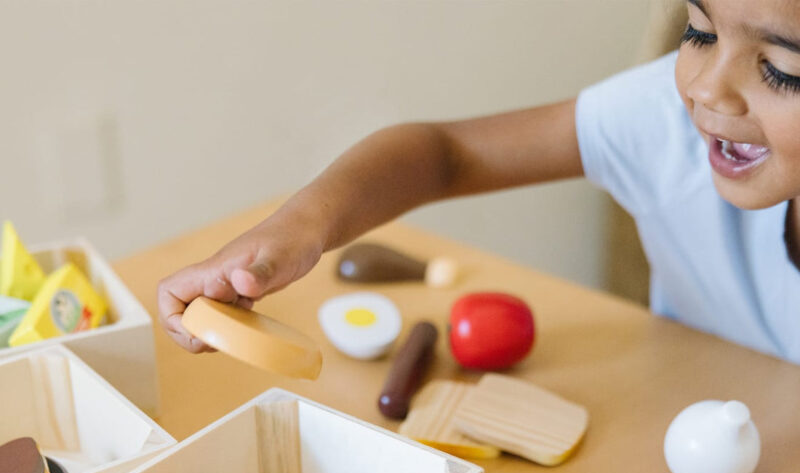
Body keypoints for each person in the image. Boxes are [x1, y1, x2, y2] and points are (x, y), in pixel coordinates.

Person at [158, 0, 800, 364]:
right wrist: (299, 227)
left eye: (780, 71)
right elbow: (446, 154)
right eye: (699, 31)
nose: (707, 88)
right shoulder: (663, 121)